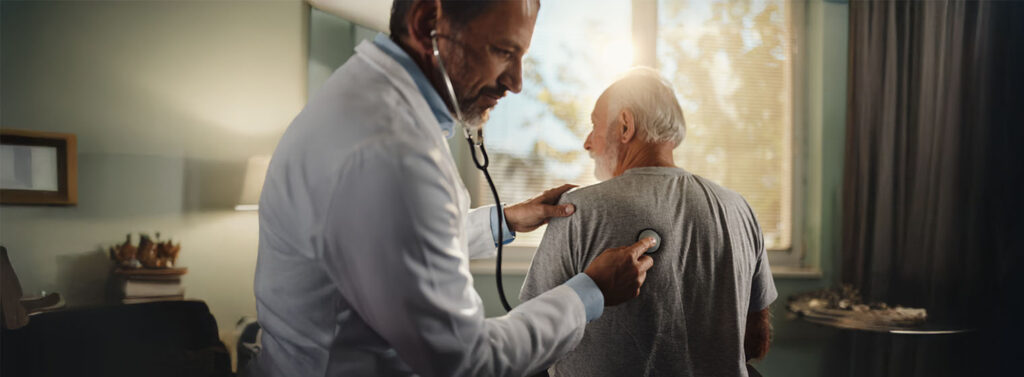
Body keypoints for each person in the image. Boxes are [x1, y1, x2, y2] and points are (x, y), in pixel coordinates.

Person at [245, 1, 657, 376]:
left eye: (522, 57)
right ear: (427, 24)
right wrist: (589, 292)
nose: (515, 82)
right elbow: (467, 360)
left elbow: (394, 248)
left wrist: (504, 220)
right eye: (502, 51)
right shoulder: (390, 150)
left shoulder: (361, 101)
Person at [521, 68, 777, 377]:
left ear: (625, 125)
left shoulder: (574, 210)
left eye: (595, 126)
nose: (587, 143)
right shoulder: (739, 209)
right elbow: (755, 341)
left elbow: (532, 338)